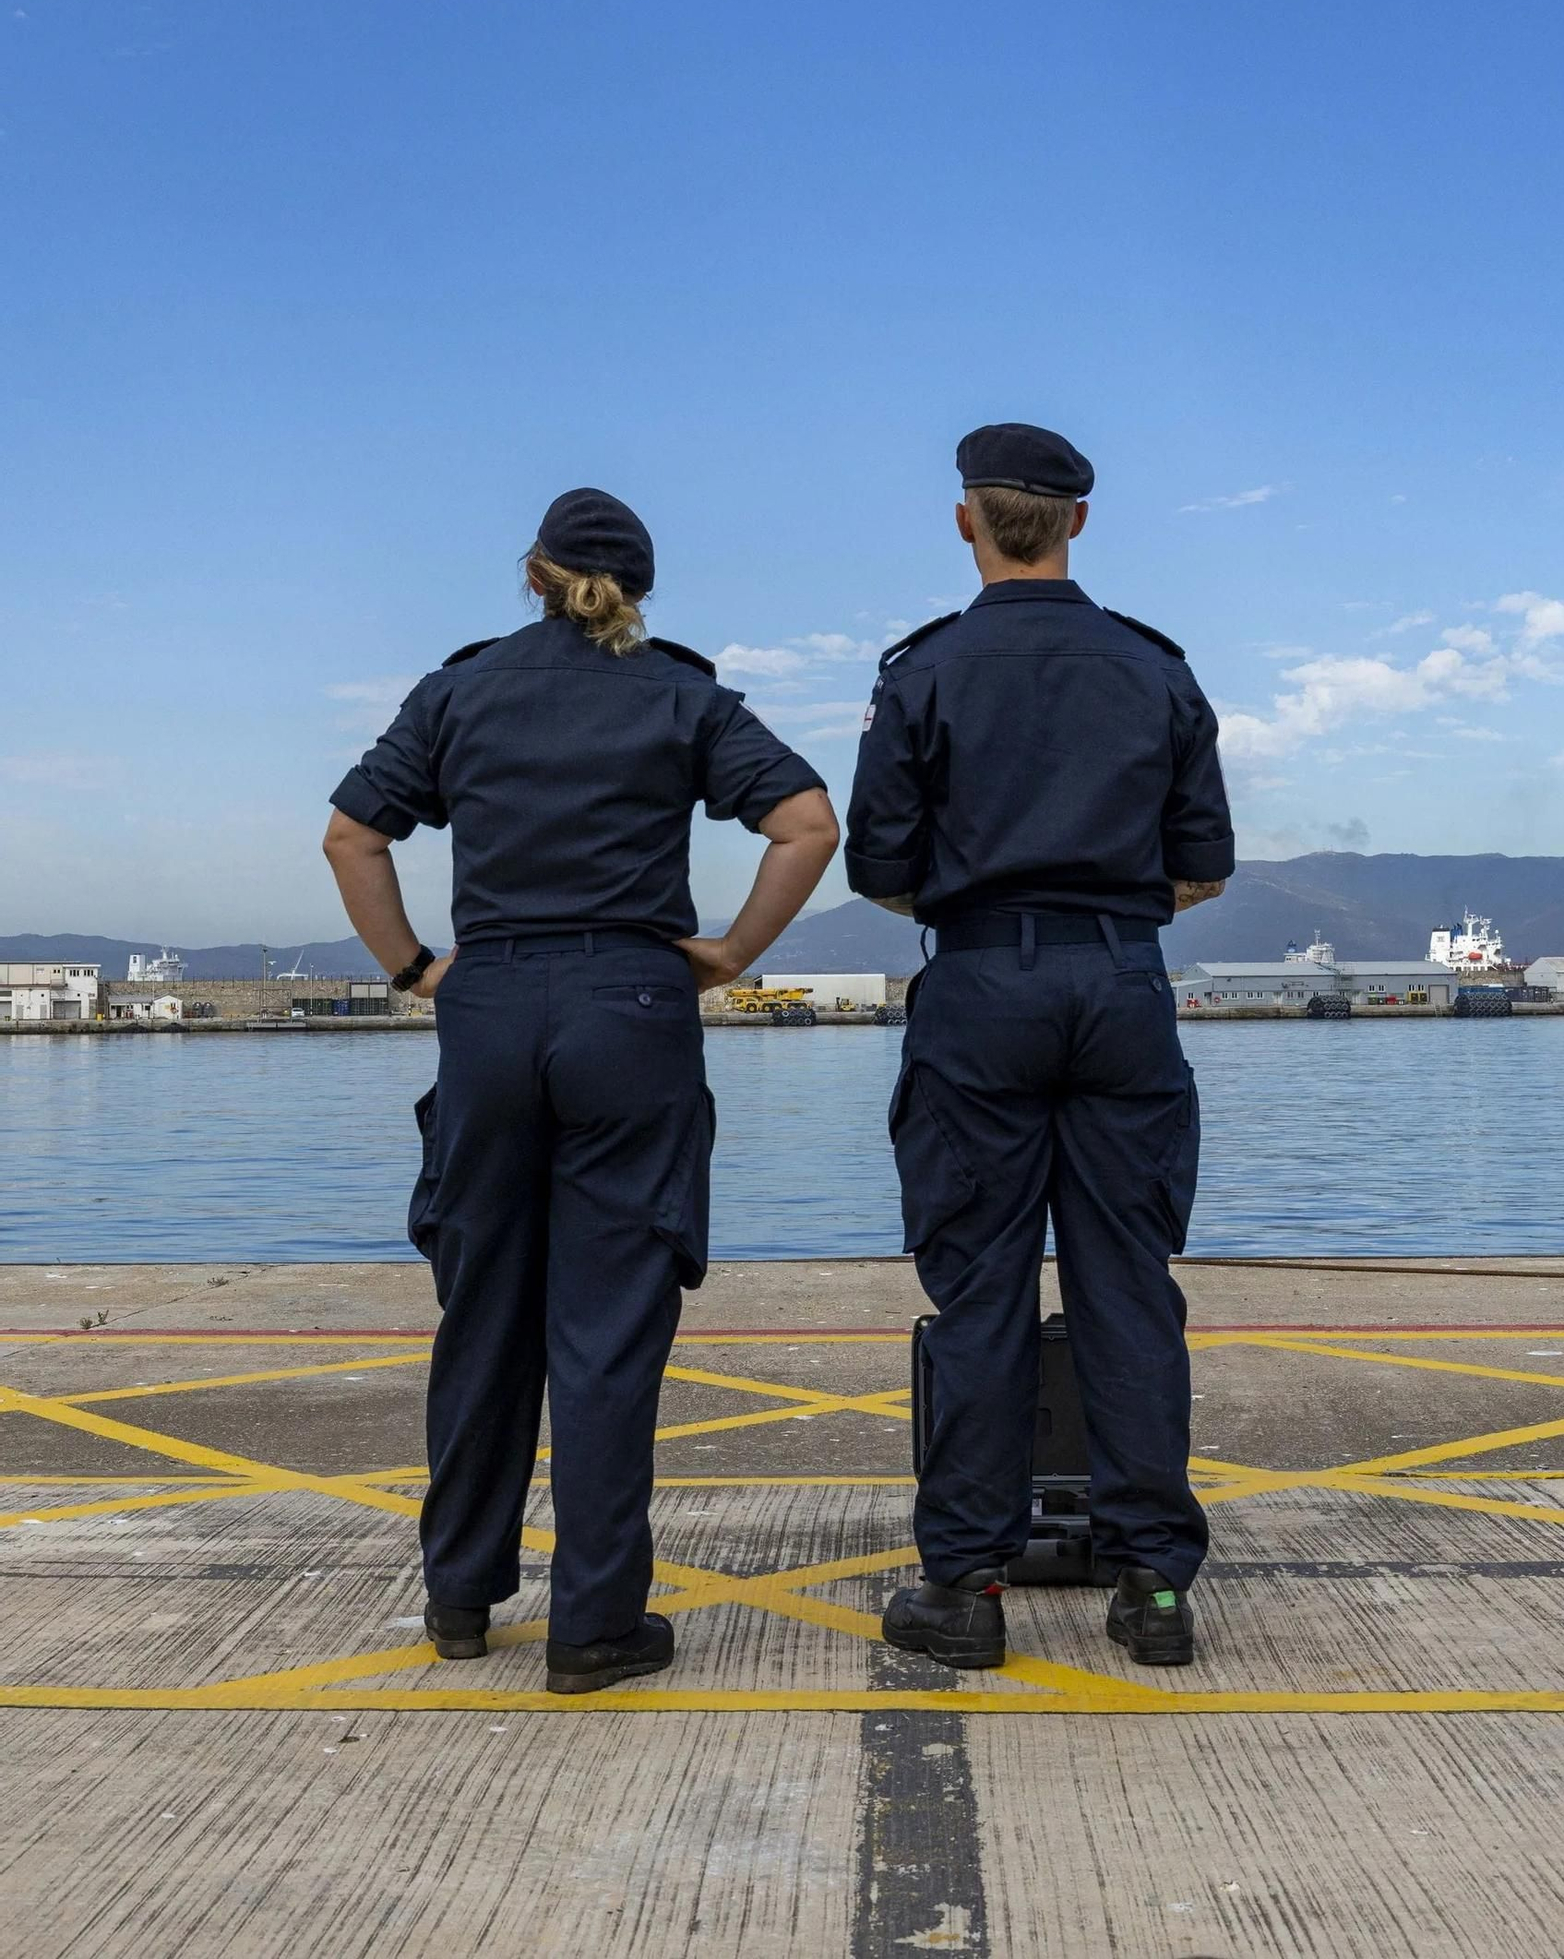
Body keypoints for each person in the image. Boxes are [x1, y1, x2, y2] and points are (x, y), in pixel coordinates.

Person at [323, 488, 838, 1691]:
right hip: (631, 1002)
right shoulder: (683, 693)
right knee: (606, 1332)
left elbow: (354, 833)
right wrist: (730, 951)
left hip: (490, 1004)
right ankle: (594, 1625)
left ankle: (459, 1594)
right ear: (638, 588)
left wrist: (411, 968)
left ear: (533, 571)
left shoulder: (458, 689)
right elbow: (807, 822)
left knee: (483, 1316)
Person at [844, 424, 1233, 1672]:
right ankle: (1153, 1587)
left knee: (980, 1290)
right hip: (1122, 980)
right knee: (1130, 1285)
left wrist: (990, 912)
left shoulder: (924, 672)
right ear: (1076, 523)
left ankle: (965, 1582)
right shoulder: (1154, 668)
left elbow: (880, 867)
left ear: (968, 519)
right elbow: (1202, 869)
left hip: (982, 986)